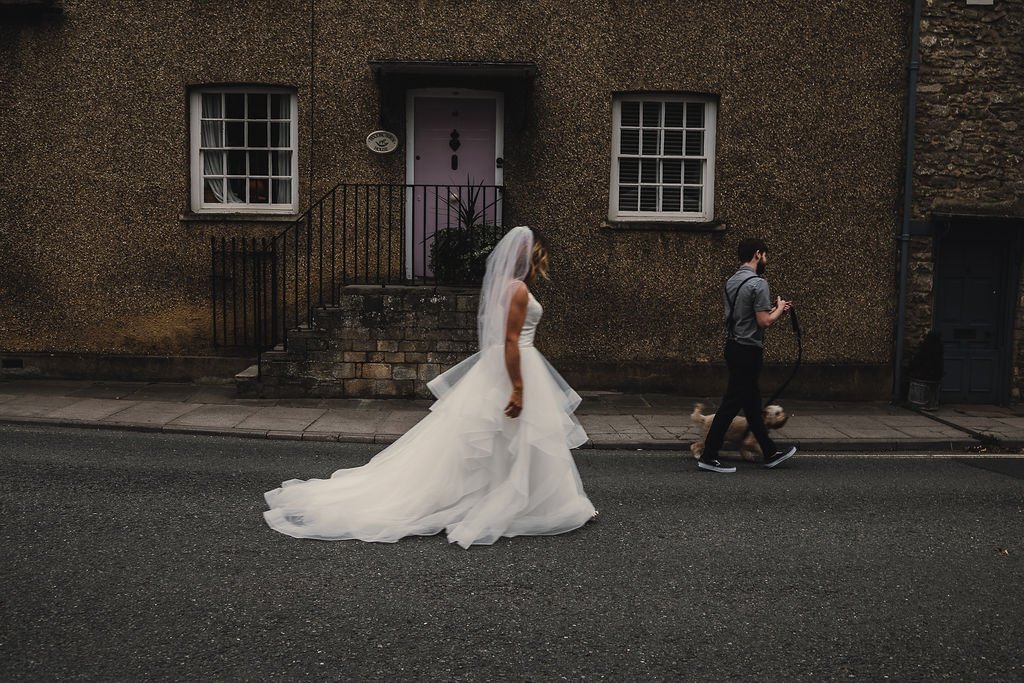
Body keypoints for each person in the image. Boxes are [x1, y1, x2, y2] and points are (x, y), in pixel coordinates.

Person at [263, 226, 597, 547]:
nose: (543, 263)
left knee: (506, 439)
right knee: (516, 437)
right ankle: (533, 505)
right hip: (516, 366)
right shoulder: (519, 290)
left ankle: (532, 502)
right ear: (533, 255)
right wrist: (519, 388)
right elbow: (510, 341)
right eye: (542, 256)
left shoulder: (507, 288)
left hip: (502, 366)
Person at [697, 238, 798, 473]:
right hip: (748, 350)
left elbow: (745, 316)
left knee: (752, 405)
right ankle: (708, 455)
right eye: (765, 256)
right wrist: (780, 310)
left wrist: (772, 308)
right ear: (757, 254)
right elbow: (763, 322)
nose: (766, 260)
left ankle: (770, 452)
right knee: (731, 405)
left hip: (733, 346)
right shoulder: (759, 283)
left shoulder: (731, 282)